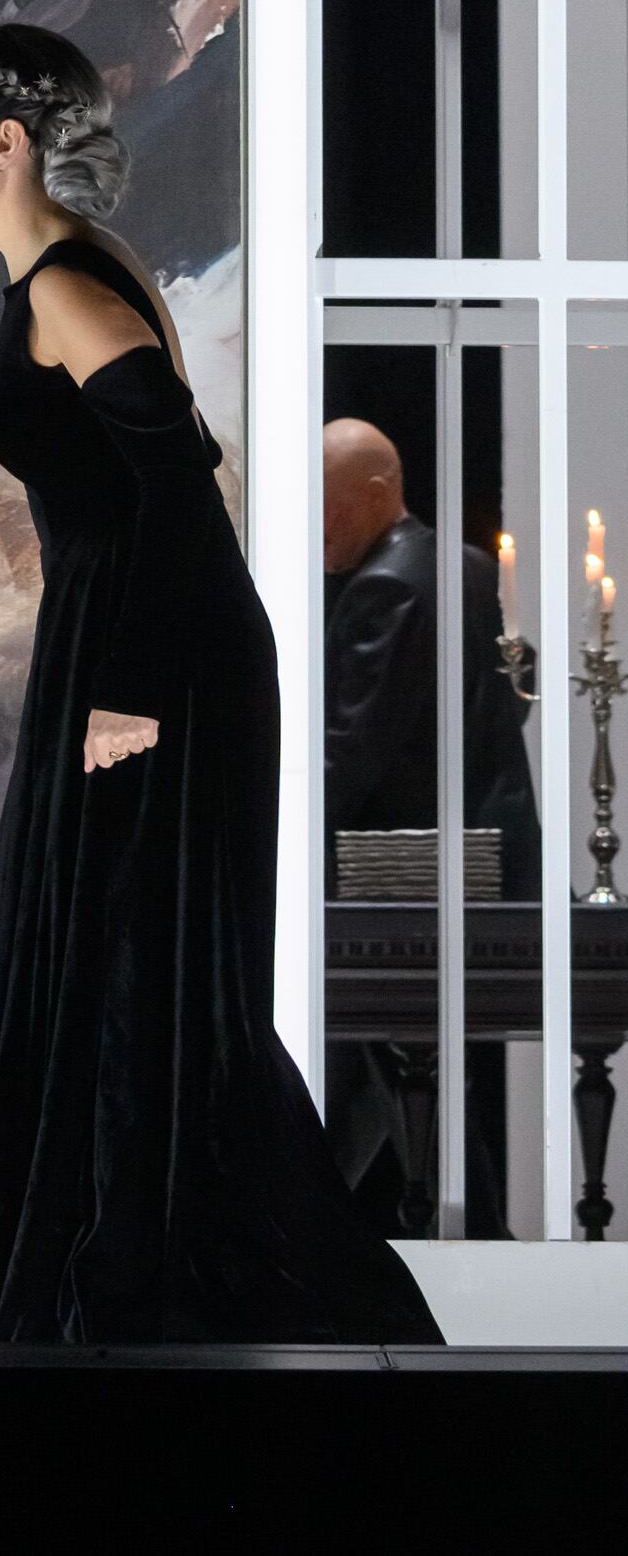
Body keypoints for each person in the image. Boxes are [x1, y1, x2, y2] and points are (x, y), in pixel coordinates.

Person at [0, 21, 439, 1345]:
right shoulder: (62, 281)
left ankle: (163, 1296)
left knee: (141, 986)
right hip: (136, 649)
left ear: (6, 144)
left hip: (154, 665)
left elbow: (181, 506)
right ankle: (91, 1284)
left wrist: (128, 700)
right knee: (107, 978)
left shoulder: (72, 292)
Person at [323, 416, 539, 1236]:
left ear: (380, 493)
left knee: (397, 1077)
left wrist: (272, 834)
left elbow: (352, 751)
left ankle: (471, 1239)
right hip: (480, 865)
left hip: (402, 883)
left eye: (328, 510)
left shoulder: (389, 586)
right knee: (399, 1085)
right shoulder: (468, 566)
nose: (317, 531)